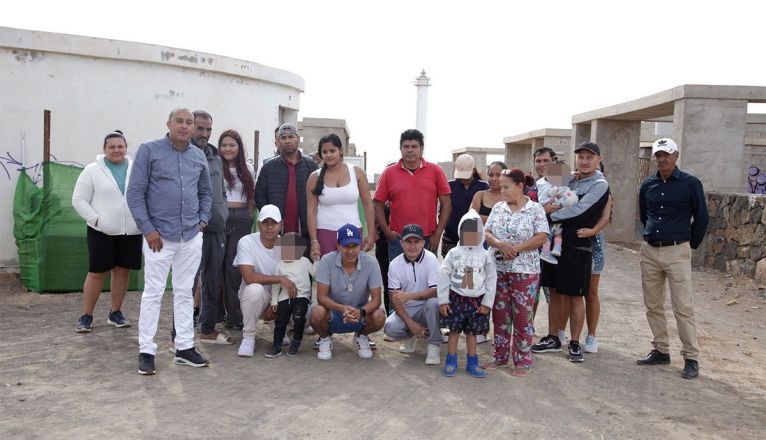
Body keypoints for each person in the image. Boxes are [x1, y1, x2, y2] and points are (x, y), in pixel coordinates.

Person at [127, 108, 212, 375]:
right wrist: (148, 229)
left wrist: (202, 222)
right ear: (168, 124)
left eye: (190, 123)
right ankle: (146, 350)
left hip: (190, 236)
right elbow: (135, 194)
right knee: (153, 293)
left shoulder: (198, 156)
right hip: (158, 238)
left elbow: (206, 192)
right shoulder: (149, 151)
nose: (185, 127)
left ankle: (184, 347)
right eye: (180, 122)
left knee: (185, 292)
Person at [637, 138, 709, 380]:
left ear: (676, 155)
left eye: (666, 154)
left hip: (677, 250)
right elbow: (644, 214)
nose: (661, 159)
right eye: (658, 154)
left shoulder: (690, 183)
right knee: (653, 304)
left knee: (683, 306)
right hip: (650, 251)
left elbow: (702, 219)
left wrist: (689, 245)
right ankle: (660, 350)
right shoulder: (647, 185)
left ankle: (691, 357)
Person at [531, 142, 609, 364]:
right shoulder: (569, 177)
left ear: (598, 159)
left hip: (578, 245)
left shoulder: (600, 184)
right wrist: (543, 212)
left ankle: (575, 342)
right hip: (555, 245)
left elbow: (580, 210)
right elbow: (548, 188)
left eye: (589, 157)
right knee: (555, 292)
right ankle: (554, 337)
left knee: (576, 295)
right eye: (580, 157)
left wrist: (545, 216)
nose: (584, 161)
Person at [72, 130, 142, 333]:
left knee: (122, 271)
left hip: (131, 231)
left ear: (126, 148)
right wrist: (96, 220)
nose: (116, 150)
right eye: (111, 147)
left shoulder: (136, 169)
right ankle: (86, 316)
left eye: (120, 146)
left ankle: (115, 313)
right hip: (101, 231)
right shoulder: (92, 170)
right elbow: (78, 199)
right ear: (104, 149)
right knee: (96, 273)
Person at [483, 169, 549, 376]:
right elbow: (486, 232)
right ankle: (500, 356)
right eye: (500, 186)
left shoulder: (535, 209)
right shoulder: (498, 208)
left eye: (505, 186)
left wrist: (516, 248)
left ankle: (523, 359)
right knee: (500, 315)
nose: (501, 190)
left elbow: (541, 237)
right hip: (498, 270)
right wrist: (500, 244)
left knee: (522, 316)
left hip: (525, 271)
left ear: (520, 186)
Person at [310, 224, 386, 361]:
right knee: (316, 313)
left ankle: (361, 336)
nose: (350, 251)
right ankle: (325, 338)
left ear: (361, 246)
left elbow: (376, 300)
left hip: (360, 313)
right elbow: (321, 297)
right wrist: (341, 308)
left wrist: (361, 311)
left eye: (354, 246)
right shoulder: (327, 260)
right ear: (338, 246)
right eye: (346, 246)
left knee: (380, 315)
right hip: (333, 312)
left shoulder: (371, 263)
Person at [189, 110, 233, 345]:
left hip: (215, 228)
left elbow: (220, 190)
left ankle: (207, 329)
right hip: (191, 230)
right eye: (200, 128)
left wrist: (222, 210)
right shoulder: (182, 154)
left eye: (208, 130)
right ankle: (181, 334)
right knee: (188, 282)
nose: (204, 134)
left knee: (213, 279)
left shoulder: (214, 157)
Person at [374, 129, 451, 260]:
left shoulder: (435, 171)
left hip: (427, 240)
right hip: (398, 240)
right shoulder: (388, 173)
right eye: (406, 146)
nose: (410, 150)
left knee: (427, 280)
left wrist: (438, 234)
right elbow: (377, 204)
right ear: (400, 148)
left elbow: (447, 204)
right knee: (399, 280)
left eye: (414, 146)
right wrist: (387, 233)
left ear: (421, 148)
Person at [438, 211, 497, 378]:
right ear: (460, 232)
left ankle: (472, 362)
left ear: (480, 234)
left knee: (472, 333)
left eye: (474, 232)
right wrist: (443, 300)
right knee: (454, 332)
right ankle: (451, 360)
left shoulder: (485, 256)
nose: (470, 235)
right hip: (456, 298)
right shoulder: (453, 254)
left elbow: (491, 279)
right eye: (467, 231)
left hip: (477, 301)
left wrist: (487, 303)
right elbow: (443, 276)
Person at [233, 205, 295, 357]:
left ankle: (279, 327)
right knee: (254, 289)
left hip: (278, 298)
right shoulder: (246, 242)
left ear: (281, 225)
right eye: (265, 222)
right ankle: (248, 337)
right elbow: (249, 277)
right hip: (255, 298)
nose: (269, 227)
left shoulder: (287, 245)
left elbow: (292, 279)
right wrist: (280, 279)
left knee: (307, 312)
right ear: (258, 224)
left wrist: (276, 304)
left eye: (273, 222)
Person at [307, 133, 376, 260]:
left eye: (332, 151)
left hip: (353, 234)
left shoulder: (357, 172)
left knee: (353, 274)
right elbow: (311, 210)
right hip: (325, 233)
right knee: (328, 275)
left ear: (341, 150)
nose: (328, 155)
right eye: (324, 152)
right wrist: (314, 241)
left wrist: (371, 234)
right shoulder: (314, 177)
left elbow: (368, 204)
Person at [383, 224, 442, 365]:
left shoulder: (431, 259)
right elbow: (394, 298)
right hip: (407, 310)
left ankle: (434, 344)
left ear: (423, 243)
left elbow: (435, 291)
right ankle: (411, 336)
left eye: (416, 242)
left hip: (427, 308)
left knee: (434, 303)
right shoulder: (395, 264)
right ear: (401, 243)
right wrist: (411, 324)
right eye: (408, 242)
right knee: (390, 328)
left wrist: (409, 296)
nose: (412, 246)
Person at [255, 123, 318, 247]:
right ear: (278, 141)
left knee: (304, 264)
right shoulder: (269, 167)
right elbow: (259, 196)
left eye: (291, 137)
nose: (287, 141)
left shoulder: (311, 166)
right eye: (283, 138)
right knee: (278, 265)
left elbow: (319, 194)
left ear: (298, 139)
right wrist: (271, 218)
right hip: (277, 231)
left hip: (305, 231)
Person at [218, 129, 256, 330]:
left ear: (239, 147)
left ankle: (234, 317)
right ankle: (215, 315)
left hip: (241, 219)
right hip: (220, 218)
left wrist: (249, 216)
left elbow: (251, 196)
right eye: (224, 145)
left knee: (234, 270)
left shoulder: (247, 169)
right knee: (215, 268)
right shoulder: (215, 166)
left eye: (232, 145)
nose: (228, 148)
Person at [574, 162, 613, 353]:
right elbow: (550, 182)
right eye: (580, 158)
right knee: (570, 292)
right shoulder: (573, 183)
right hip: (573, 241)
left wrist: (593, 231)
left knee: (591, 292)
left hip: (593, 243)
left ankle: (591, 335)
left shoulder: (604, 190)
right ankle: (562, 333)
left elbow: (606, 218)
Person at [265, 233, 313, 358]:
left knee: (298, 317)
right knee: (280, 320)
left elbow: (316, 273)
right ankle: (277, 345)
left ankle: (296, 343)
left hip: (302, 296)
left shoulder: (304, 261)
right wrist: (274, 302)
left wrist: (317, 259)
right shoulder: (279, 265)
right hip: (284, 298)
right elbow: (275, 285)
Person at [442, 154, 489, 257]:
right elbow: (442, 210)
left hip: (475, 240)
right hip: (451, 239)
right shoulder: (449, 186)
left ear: (473, 170)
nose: (463, 179)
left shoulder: (484, 187)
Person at [470, 161, 507, 225]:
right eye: (491, 175)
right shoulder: (480, 195)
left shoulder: (511, 197)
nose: (494, 178)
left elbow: (513, 222)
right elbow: (471, 218)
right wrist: (500, 221)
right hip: (481, 234)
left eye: (498, 175)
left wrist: (481, 218)